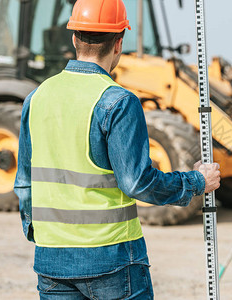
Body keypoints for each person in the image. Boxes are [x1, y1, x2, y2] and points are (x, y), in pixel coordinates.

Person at [14, 0, 220, 298]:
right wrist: (197, 181)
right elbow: (137, 182)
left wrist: (40, 235)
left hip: (51, 260)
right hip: (111, 257)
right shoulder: (118, 101)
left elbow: (24, 181)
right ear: (119, 43)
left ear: (74, 38)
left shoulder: (36, 97)